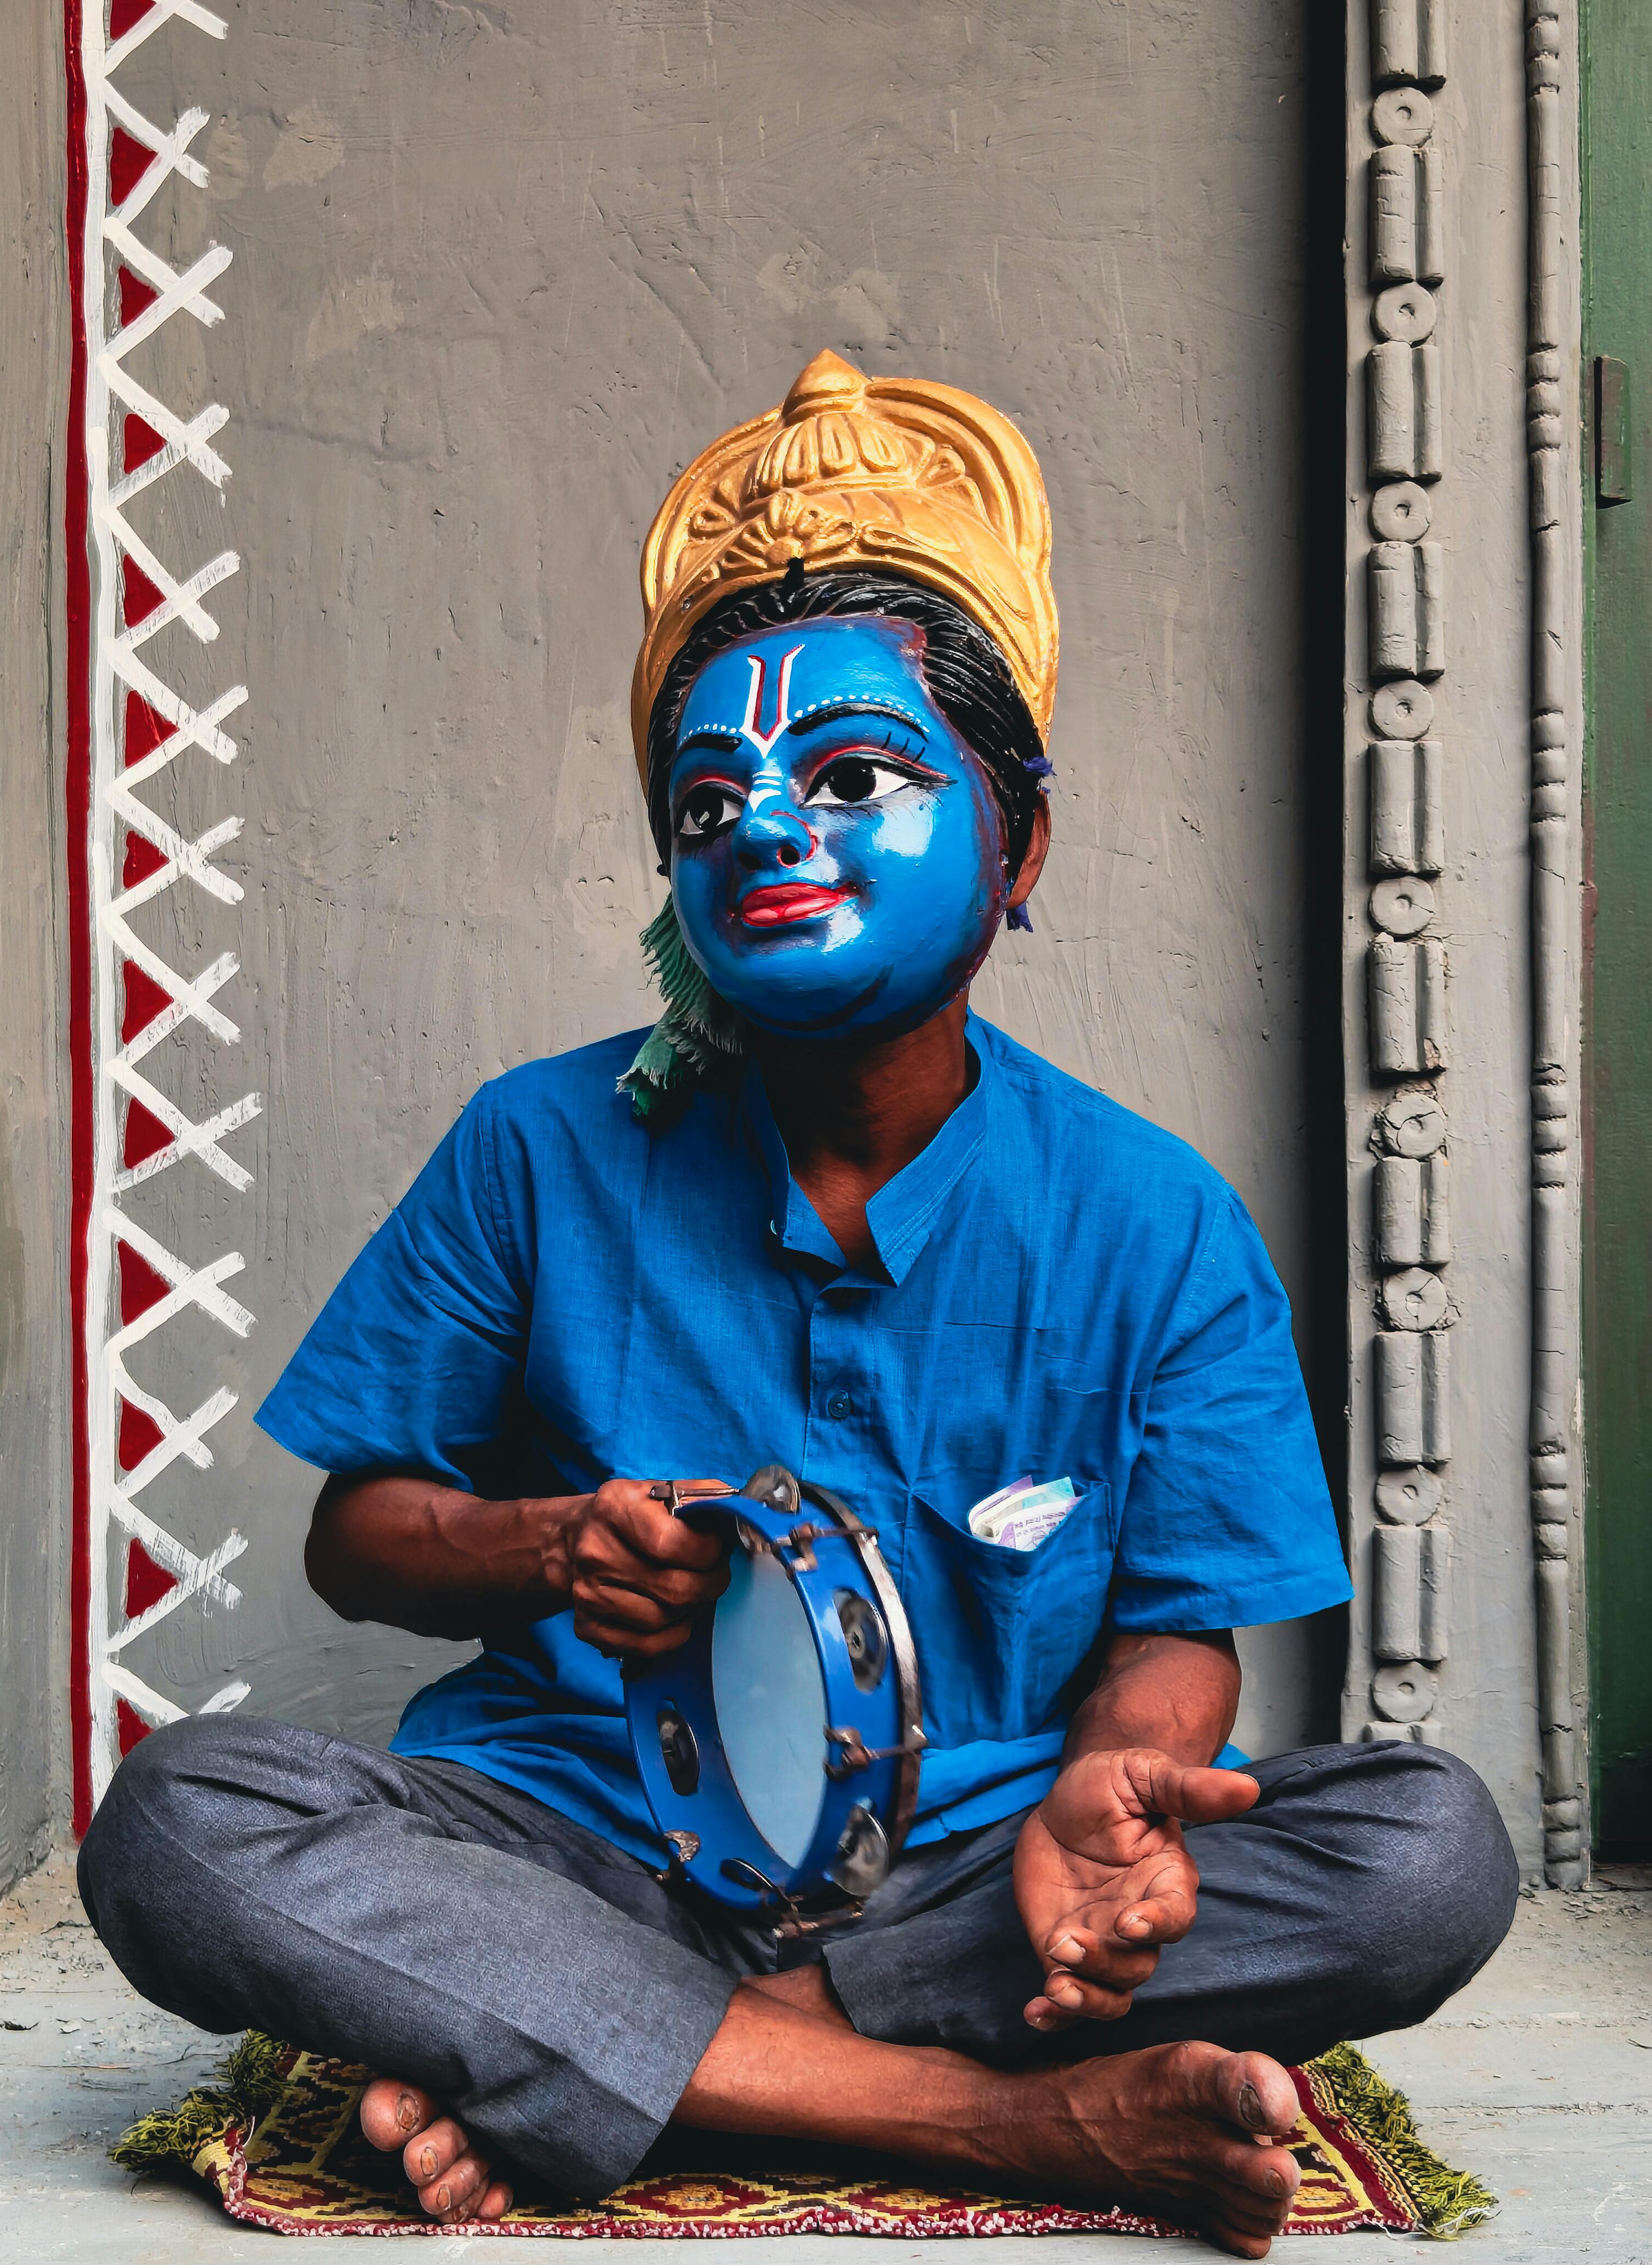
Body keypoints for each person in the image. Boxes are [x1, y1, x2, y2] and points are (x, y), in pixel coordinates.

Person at [78, 351, 1518, 2259]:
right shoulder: (537, 1146)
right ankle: (1003, 2120)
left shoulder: (1157, 1219)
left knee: (1427, 1852)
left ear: (1019, 843)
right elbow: (358, 1541)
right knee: (181, 1822)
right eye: (710, 796)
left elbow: (1182, 1633)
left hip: (971, 1883)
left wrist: (1105, 1792)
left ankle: (625, 2061)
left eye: (852, 777)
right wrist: (547, 1547)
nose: (766, 825)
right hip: (582, 1849)